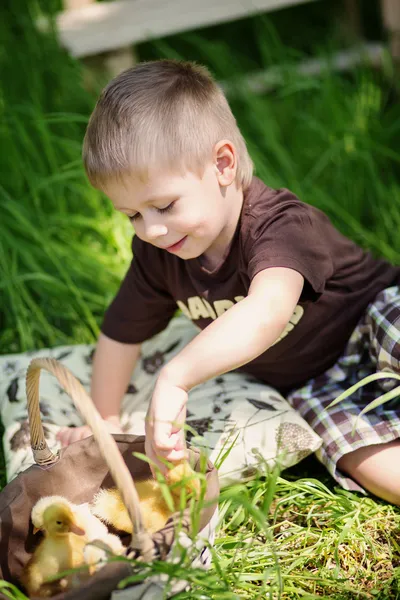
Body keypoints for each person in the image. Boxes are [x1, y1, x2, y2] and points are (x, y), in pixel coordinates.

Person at [57, 60, 400, 503]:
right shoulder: (159, 255)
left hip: (371, 317)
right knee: (357, 453)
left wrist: (176, 377)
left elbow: (267, 311)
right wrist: (103, 418)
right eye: (133, 216)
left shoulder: (279, 225)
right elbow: (120, 334)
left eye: (164, 205)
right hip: (316, 383)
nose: (151, 229)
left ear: (222, 164)